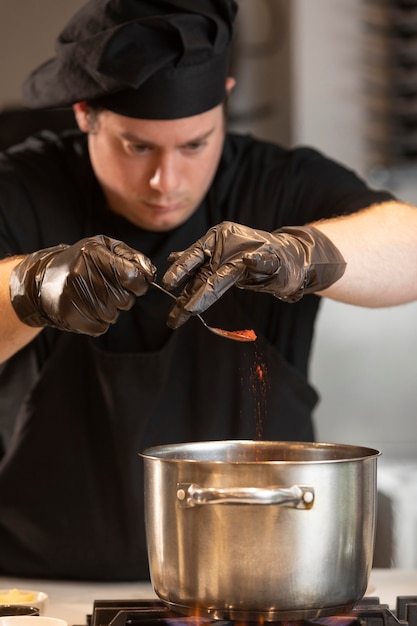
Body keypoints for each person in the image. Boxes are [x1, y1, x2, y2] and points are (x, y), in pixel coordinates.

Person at [0, 0, 417, 582]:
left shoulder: (279, 184)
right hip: (41, 587)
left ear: (225, 95)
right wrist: (30, 287)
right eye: (136, 146)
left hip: (267, 583)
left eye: (194, 145)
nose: (164, 182)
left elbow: (409, 242)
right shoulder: (23, 187)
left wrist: (299, 254)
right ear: (84, 115)